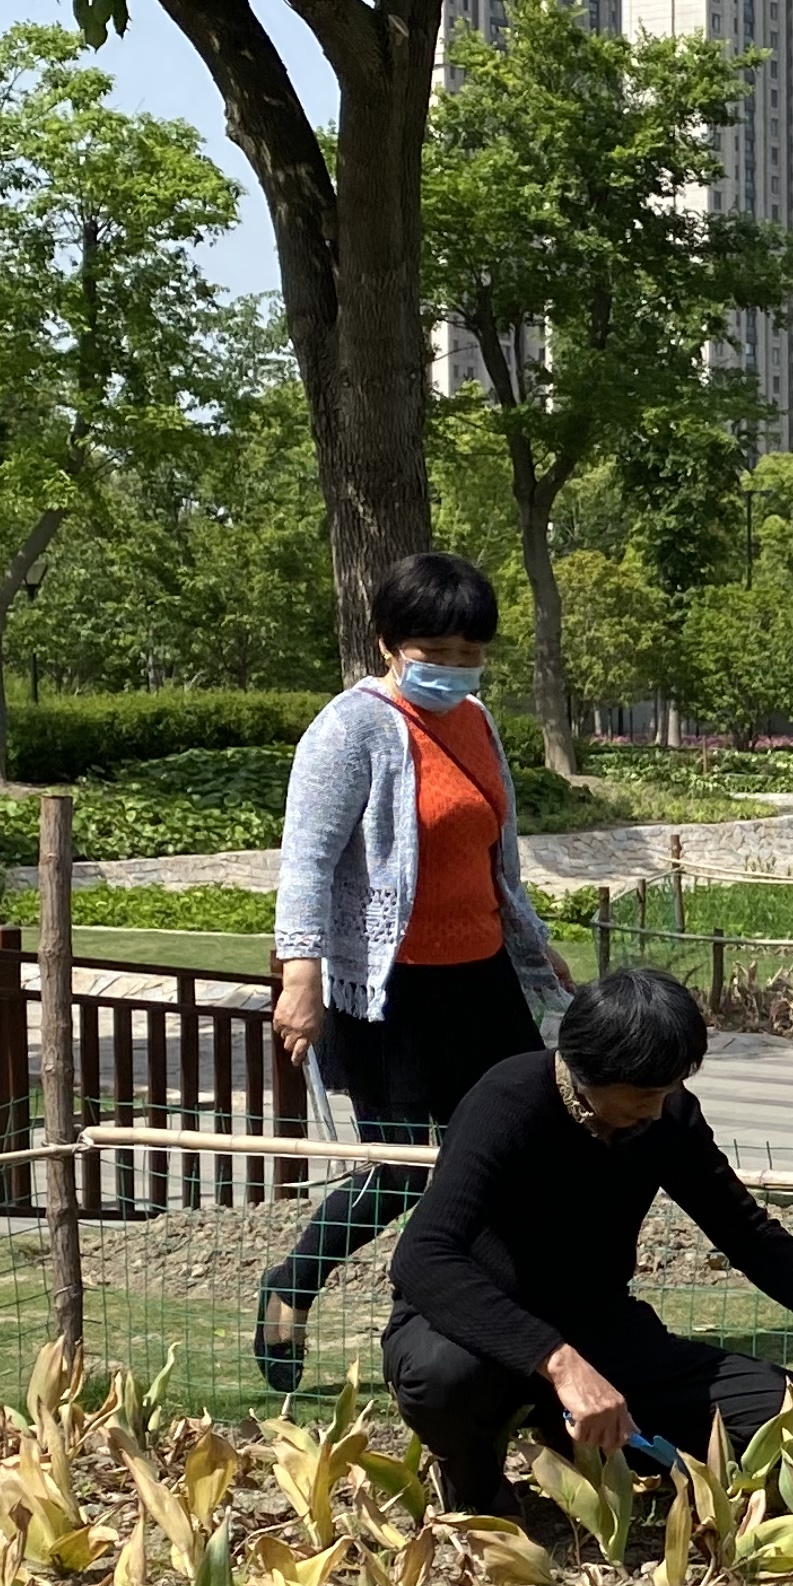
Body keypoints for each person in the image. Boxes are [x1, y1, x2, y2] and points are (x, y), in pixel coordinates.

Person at [383, 968, 793, 1516]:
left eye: (670, 1090)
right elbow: (424, 1256)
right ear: (589, 1072)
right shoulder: (507, 1101)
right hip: (482, 1334)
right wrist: (559, 1362)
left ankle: (581, 1446)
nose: (659, 1108)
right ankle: (475, 1486)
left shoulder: (666, 1119)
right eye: (645, 1093)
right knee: (445, 1376)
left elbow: (741, 1226)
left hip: (600, 1332)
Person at [260, 551, 575, 1393]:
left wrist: (533, 940)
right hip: (388, 991)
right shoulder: (350, 727)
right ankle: (292, 1286)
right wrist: (302, 979)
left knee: (516, 1153)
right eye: (436, 647)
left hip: (482, 981)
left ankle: (493, 1329)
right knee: (401, 1171)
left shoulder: (476, 721)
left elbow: (494, 855)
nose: (456, 666)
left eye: (472, 650)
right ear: (388, 641)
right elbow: (307, 864)